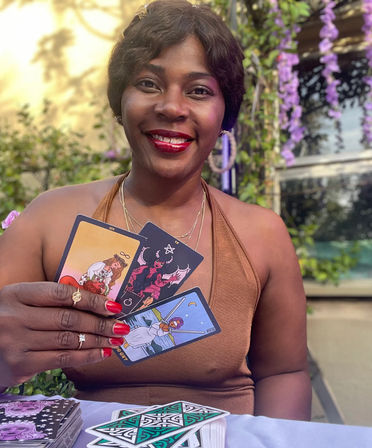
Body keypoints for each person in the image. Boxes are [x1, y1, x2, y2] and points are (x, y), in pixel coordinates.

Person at [0, 0, 311, 419]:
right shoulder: (50, 218)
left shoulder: (262, 233)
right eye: (148, 83)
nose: (172, 107)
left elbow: (285, 372)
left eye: (199, 90)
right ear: (119, 101)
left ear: (225, 115)